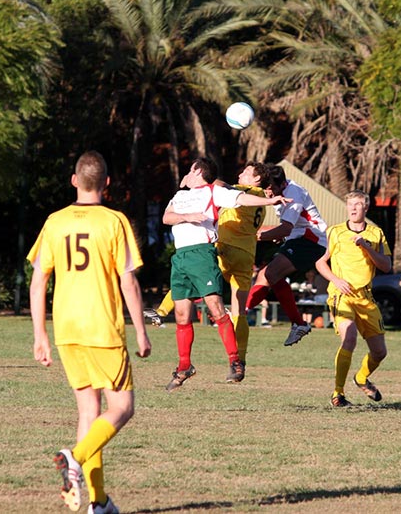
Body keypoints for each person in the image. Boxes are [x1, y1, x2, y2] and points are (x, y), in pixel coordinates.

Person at [28, 151, 152, 514]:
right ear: (107, 183)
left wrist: (40, 335)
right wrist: (142, 331)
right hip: (103, 328)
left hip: (67, 328)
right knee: (122, 408)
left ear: (74, 180)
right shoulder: (114, 221)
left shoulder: (54, 221)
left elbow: (38, 283)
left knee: (89, 414)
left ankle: (98, 502)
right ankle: (75, 456)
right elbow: (128, 282)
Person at [163, 158, 289, 391]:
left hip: (202, 254)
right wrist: (187, 216)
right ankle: (184, 367)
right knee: (182, 316)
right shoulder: (180, 195)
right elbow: (166, 217)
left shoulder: (213, 192)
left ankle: (235, 361)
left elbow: (241, 198)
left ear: (198, 171)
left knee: (217, 309)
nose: (186, 174)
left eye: (190, 170)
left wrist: (270, 199)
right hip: (180, 258)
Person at [144, 162, 271, 370]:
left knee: (200, 282)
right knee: (239, 310)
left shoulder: (238, 191)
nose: (240, 174)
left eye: (246, 173)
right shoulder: (262, 198)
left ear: (257, 180)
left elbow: (218, 184)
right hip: (247, 254)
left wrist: (202, 181)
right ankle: (240, 358)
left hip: (225, 248)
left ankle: (162, 311)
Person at [315, 190, 392, 407]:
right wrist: (335, 279)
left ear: (366, 207)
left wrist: (366, 247)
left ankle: (361, 378)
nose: (353, 208)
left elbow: (386, 266)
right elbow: (320, 262)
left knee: (379, 352)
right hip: (341, 295)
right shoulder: (335, 232)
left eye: (358, 204)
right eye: (350, 205)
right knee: (349, 338)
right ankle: (337, 394)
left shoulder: (376, 234)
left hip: (365, 297)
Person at [246, 165, 328, 346]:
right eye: (265, 189)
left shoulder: (293, 194)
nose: (268, 193)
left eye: (272, 189)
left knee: (267, 275)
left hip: (312, 240)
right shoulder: (277, 190)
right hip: (298, 238)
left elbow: (286, 227)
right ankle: (299, 324)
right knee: (271, 277)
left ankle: (241, 311)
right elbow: (288, 229)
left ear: (283, 184)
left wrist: (256, 236)